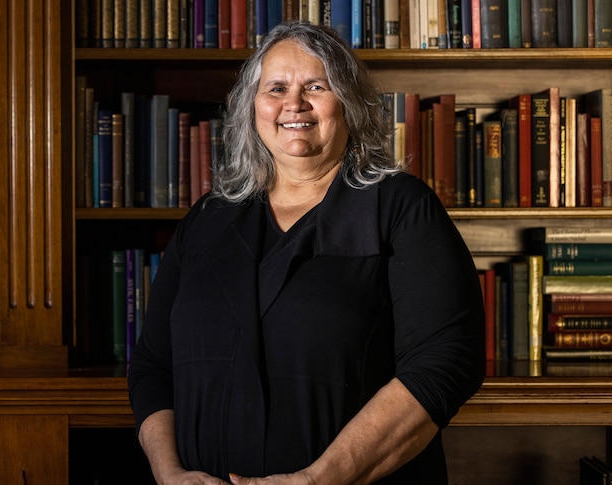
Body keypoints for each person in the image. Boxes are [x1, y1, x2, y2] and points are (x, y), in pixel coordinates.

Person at [127, 20, 486, 485]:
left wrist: (319, 480)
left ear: (350, 104)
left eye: (315, 86)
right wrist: (168, 472)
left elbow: (446, 362)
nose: (293, 103)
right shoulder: (207, 220)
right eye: (276, 88)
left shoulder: (399, 208)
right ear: (252, 108)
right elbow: (154, 365)